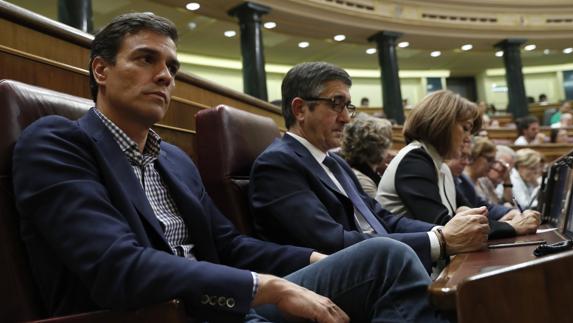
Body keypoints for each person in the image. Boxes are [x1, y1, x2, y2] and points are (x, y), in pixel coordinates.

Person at [12, 13, 444, 322]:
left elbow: (231, 247)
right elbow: (116, 267)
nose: (165, 76)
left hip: (226, 306)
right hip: (155, 314)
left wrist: (314, 258)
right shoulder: (58, 142)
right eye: (146, 59)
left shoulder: (174, 159)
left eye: (172, 67)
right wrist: (265, 287)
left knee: (383, 255)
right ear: (101, 70)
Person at [250, 62, 490, 274]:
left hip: (386, 266)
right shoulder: (278, 163)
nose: (346, 118)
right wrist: (439, 241)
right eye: (336, 104)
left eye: (347, 106)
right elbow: (330, 242)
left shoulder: (334, 162)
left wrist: (445, 230)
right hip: (342, 281)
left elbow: (382, 218)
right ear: (300, 109)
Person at [376, 90, 540, 239]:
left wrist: (508, 216)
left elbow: (471, 211)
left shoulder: (441, 166)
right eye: (466, 128)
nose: (469, 138)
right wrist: (511, 227)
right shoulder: (414, 161)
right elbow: (446, 226)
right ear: (442, 124)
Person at [447, 143, 536, 228]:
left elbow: (489, 207)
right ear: (475, 157)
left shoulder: (484, 182)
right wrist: (502, 224)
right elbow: (474, 217)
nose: (492, 166)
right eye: (489, 160)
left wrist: (510, 212)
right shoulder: (462, 180)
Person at [339, 114, 392, 198]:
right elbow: (379, 209)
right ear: (379, 147)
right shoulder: (363, 182)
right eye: (389, 141)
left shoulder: (355, 169)